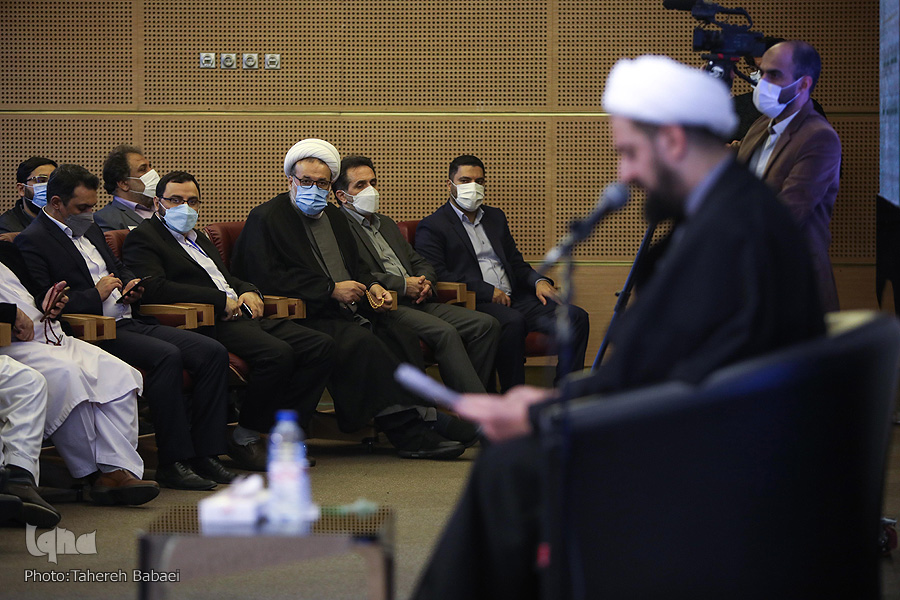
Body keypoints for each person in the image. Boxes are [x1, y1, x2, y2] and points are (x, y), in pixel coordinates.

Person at [411, 55, 825, 600]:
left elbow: (670, 384)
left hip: (710, 461)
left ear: (672, 140)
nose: (625, 174)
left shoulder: (729, 234)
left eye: (629, 152)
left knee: (507, 465)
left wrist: (542, 413)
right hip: (707, 434)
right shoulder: (731, 211)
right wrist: (548, 405)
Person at [231, 138, 473, 459]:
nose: (314, 189)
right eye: (306, 181)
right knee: (361, 342)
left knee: (399, 332)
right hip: (304, 313)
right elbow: (264, 277)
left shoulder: (334, 216)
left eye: (322, 183)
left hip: (346, 308)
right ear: (290, 180)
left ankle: (425, 414)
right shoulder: (267, 217)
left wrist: (372, 285)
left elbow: (357, 265)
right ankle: (409, 432)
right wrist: (329, 289)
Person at [14, 164, 236, 490]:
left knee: (212, 352)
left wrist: (132, 285)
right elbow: (44, 303)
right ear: (57, 203)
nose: (89, 214)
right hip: (93, 332)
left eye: (92, 206)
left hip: (129, 319)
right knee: (166, 356)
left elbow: (119, 268)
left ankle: (207, 454)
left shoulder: (90, 229)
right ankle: (173, 462)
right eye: (82, 208)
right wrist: (96, 295)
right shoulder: (32, 241)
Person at [122, 170, 336, 469]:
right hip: (204, 321)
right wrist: (219, 300)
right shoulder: (144, 238)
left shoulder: (198, 237)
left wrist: (248, 290)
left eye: (192, 201)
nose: (185, 208)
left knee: (320, 345)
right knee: (276, 354)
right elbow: (154, 287)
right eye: (175, 200)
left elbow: (226, 278)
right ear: (158, 203)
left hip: (240, 314)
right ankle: (245, 436)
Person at [1, 240, 159, 514]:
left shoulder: (6, 250)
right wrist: (9, 314)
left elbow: (36, 292)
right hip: (14, 344)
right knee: (68, 376)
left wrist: (51, 302)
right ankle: (95, 472)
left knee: (120, 374)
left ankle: (119, 468)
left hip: (52, 333)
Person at [414, 155, 590, 392]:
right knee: (512, 322)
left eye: (479, 181)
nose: (473, 187)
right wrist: (488, 291)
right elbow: (438, 274)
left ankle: (567, 393)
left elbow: (515, 263)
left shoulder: (495, 217)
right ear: (450, 185)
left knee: (576, 317)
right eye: (465, 181)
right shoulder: (433, 225)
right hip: (475, 303)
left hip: (515, 298)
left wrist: (538, 281)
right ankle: (513, 397)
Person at [335, 155, 500, 394]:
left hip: (419, 298)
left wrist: (425, 282)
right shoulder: (338, 227)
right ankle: (473, 409)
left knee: (486, 325)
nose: (371, 190)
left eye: (373, 183)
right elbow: (358, 274)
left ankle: (473, 399)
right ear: (342, 196)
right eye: (361, 185)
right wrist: (404, 285)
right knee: (445, 333)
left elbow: (419, 261)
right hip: (387, 305)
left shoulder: (386, 223)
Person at [736, 40, 841, 312]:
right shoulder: (761, 125)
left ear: (803, 84)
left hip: (793, 286)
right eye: (761, 73)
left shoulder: (819, 137)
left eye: (774, 75)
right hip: (753, 280)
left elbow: (787, 214)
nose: (762, 83)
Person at [94, 145, 161, 232]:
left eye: (150, 167)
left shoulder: (165, 207)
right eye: (143, 169)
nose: (152, 172)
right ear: (123, 184)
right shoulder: (105, 219)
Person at [0, 157, 58, 241]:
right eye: (41, 180)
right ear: (21, 189)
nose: (49, 186)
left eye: (53, 181)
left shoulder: (68, 219)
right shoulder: (6, 227)